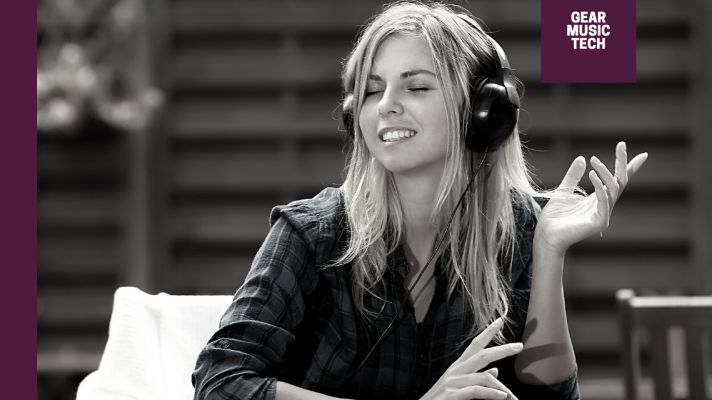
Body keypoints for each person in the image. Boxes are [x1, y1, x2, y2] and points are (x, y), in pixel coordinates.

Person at [192, 2, 647, 399]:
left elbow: (549, 395)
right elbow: (222, 381)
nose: (386, 105)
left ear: (483, 114)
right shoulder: (311, 235)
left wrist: (549, 251)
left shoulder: (521, 228)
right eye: (372, 90)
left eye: (417, 87)